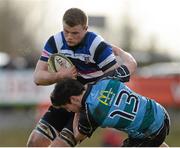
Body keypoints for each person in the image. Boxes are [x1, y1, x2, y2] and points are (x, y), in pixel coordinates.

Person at [27, 8, 137, 146]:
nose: (69, 37)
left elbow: (115, 81)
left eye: (75, 33)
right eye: (66, 31)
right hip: (66, 101)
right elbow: (37, 77)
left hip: (89, 105)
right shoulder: (55, 42)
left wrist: (94, 104)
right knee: (35, 141)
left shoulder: (97, 46)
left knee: (60, 145)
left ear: (86, 28)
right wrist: (60, 75)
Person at [49, 69, 170, 147]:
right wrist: (116, 50)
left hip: (152, 133)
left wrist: (77, 112)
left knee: (147, 140)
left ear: (73, 99)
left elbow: (77, 136)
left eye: (67, 107)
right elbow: (131, 63)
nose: (69, 110)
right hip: (160, 112)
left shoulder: (90, 114)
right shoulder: (105, 80)